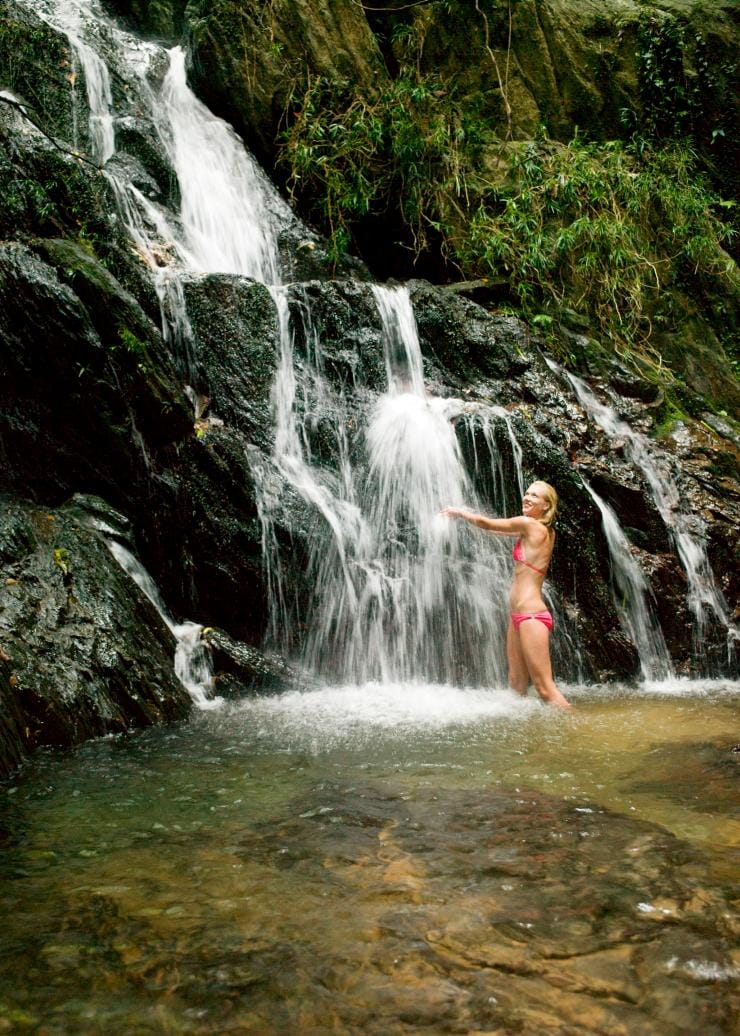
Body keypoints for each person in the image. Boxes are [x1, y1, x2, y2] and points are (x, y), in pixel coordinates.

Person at [441, 481, 572, 709]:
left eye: (535, 496)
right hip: (518, 615)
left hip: (532, 615)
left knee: (544, 689)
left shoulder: (529, 525)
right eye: (527, 493)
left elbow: (487, 523)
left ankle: (580, 726)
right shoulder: (541, 531)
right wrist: (472, 524)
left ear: (546, 505)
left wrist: (460, 513)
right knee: (516, 684)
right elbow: (497, 529)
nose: (527, 498)